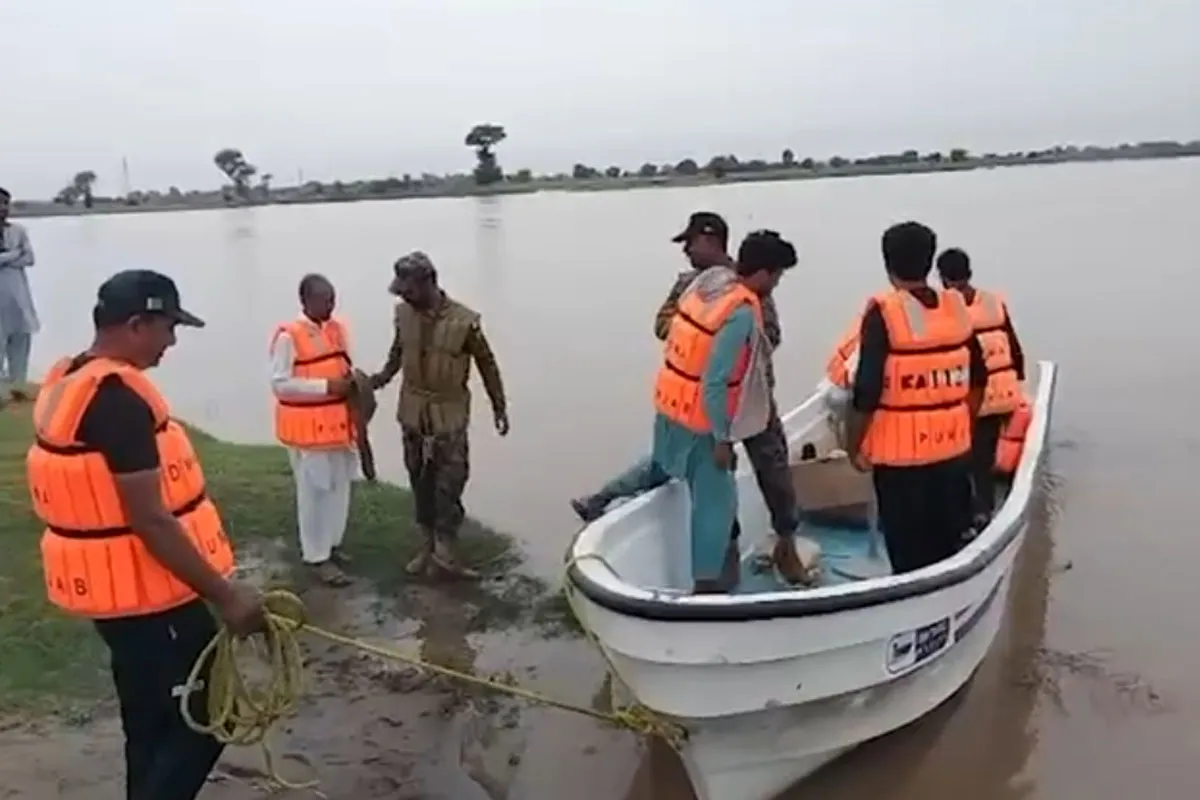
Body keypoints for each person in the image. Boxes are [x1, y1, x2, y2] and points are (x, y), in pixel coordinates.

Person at [25, 269, 266, 800]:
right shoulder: (117, 401)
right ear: (137, 324)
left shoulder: (70, 378)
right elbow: (150, 518)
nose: (172, 342)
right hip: (152, 604)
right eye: (168, 328)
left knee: (151, 720)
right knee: (204, 721)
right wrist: (227, 596)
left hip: (116, 602)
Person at [571, 213, 801, 553]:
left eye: (690, 243)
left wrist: (724, 348)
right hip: (702, 402)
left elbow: (771, 339)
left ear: (710, 241)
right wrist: (696, 339)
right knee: (692, 468)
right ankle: (725, 547)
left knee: (774, 469)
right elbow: (662, 324)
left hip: (751, 400)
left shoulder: (755, 287)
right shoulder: (689, 286)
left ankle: (786, 541)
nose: (686, 251)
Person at [842, 222, 987, 575]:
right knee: (952, 542)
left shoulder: (884, 311)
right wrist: (961, 423)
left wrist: (853, 446)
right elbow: (979, 380)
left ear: (888, 264)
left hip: (901, 462)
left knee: (909, 552)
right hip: (953, 453)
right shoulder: (955, 308)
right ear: (929, 261)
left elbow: (866, 392)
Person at [370, 251, 509, 579]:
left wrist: (499, 406)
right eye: (401, 290)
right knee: (419, 481)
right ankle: (428, 545)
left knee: (451, 483)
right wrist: (378, 379)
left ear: (429, 282)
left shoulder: (465, 322)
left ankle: (447, 549)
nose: (404, 295)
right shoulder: (403, 315)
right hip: (413, 413)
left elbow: (487, 365)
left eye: (409, 289)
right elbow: (396, 354)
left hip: (449, 416)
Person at [269, 273, 359, 586]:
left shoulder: (337, 330)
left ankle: (333, 545)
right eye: (324, 300)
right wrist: (326, 387)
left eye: (333, 299)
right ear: (305, 301)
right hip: (307, 432)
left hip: (339, 428)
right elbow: (279, 384)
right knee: (313, 493)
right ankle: (317, 557)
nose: (331, 306)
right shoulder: (288, 337)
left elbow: (344, 368)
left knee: (340, 488)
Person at [936, 247, 1026, 523]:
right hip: (1005, 393)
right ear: (970, 273)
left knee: (969, 461)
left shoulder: (947, 309)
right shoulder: (993, 301)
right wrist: (1018, 385)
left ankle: (979, 515)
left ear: (941, 278)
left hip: (977, 398)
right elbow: (1014, 348)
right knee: (983, 457)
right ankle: (984, 507)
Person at [0, 186, 40, 406]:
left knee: (21, 343)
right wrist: (15, 254)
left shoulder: (18, 231)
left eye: (6, 203)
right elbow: (21, 256)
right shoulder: (17, 243)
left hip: (18, 298)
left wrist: (8, 257)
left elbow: (30, 258)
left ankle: (18, 388)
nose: (3, 208)